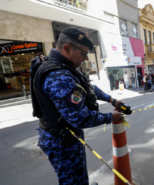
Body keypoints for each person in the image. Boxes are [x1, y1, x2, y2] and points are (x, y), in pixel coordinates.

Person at [31, 27, 123, 185]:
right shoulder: (59, 76)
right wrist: (110, 117)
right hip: (62, 141)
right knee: (71, 180)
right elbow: (80, 118)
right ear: (67, 48)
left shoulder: (64, 67)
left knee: (78, 175)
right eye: (83, 53)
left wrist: (111, 100)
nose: (86, 58)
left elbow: (88, 88)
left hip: (66, 136)